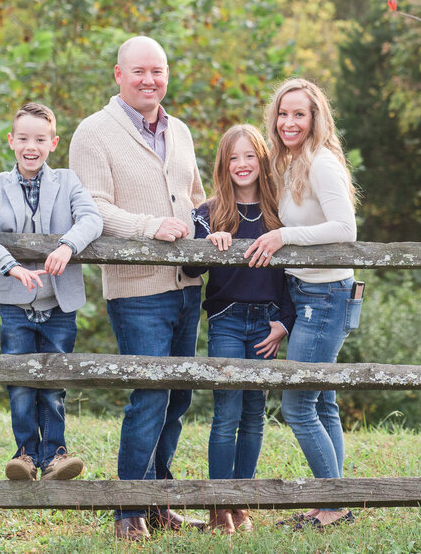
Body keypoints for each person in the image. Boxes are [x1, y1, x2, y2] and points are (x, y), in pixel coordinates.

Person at [69, 36, 208, 541]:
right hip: (136, 290)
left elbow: (194, 201)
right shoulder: (93, 134)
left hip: (185, 287)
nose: (150, 80)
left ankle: (158, 502)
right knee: (149, 395)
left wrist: (214, 225)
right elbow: (93, 208)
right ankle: (128, 510)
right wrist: (152, 226)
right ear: (118, 74)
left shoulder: (181, 131)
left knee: (179, 395)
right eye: (139, 72)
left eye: (159, 71)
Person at [0, 102, 103, 482]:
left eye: (40, 139)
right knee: (21, 381)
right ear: (11, 141)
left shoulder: (69, 182)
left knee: (54, 381)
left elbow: (93, 218)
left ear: (53, 143)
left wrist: (67, 246)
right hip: (15, 303)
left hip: (59, 302)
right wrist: (11, 265)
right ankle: (24, 454)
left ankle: (56, 454)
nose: (31, 146)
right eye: (23, 138)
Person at [245, 78, 362, 530]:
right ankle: (332, 500)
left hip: (326, 297)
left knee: (297, 406)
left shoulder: (322, 163)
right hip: (308, 294)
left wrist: (284, 236)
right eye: (283, 113)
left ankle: (332, 504)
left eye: (299, 114)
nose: (289, 122)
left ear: (316, 119)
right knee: (322, 403)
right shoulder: (290, 161)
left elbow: (344, 229)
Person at [183, 124, 295, 534]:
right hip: (227, 320)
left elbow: (291, 277)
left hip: (267, 323)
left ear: (262, 161)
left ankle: (243, 503)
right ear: (223, 165)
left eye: (250, 156)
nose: (242, 165)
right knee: (226, 413)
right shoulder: (208, 213)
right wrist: (206, 242)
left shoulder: (280, 211)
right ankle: (218, 507)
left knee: (254, 415)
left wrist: (284, 321)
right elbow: (189, 268)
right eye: (234, 158)